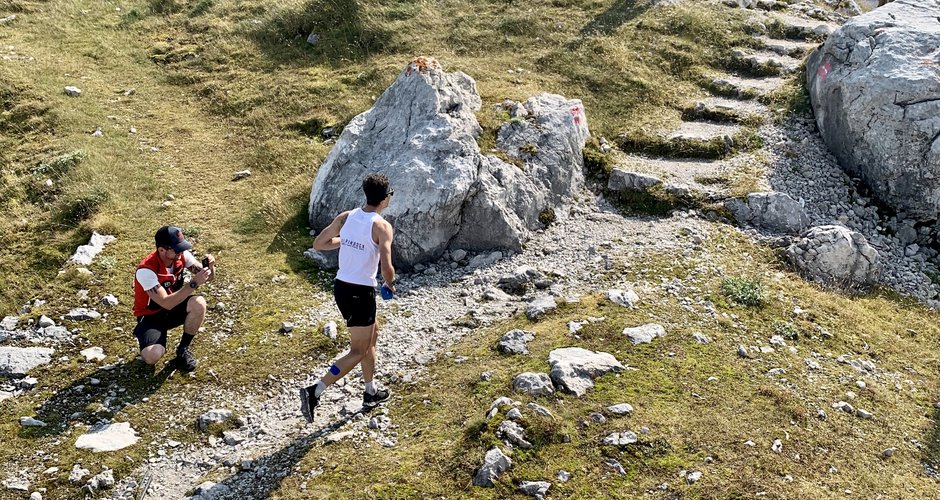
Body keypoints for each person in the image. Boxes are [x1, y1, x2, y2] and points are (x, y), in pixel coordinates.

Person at [300, 174, 396, 423]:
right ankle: (316, 390)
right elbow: (387, 266)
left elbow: (320, 243)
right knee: (358, 349)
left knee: (372, 334)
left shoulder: (347, 217)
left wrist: (348, 241)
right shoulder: (381, 226)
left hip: (342, 286)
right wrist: (390, 283)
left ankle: (370, 391)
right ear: (385, 198)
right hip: (361, 291)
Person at [132, 226, 215, 372]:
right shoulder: (146, 270)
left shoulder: (182, 255)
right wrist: (194, 283)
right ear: (162, 250)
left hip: (174, 306)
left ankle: (182, 351)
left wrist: (210, 268)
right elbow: (166, 302)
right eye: (176, 249)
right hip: (151, 316)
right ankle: (146, 335)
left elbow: (207, 278)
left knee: (199, 303)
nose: (181, 252)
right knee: (152, 357)